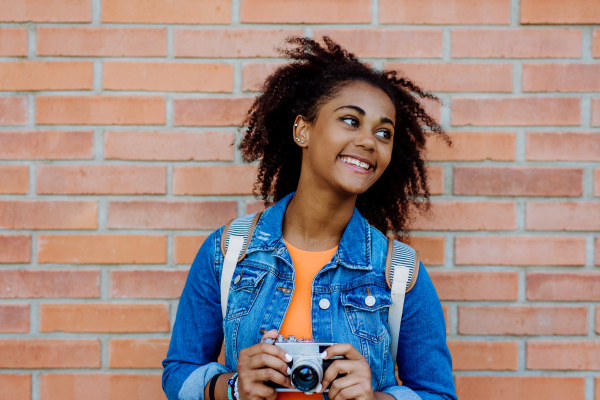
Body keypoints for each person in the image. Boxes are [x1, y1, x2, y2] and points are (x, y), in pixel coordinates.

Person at [162, 37, 456, 400]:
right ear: (303, 130)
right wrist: (233, 387)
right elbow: (179, 371)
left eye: (384, 133)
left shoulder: (399, 273)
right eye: (351, 120)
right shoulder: (228, 251)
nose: (369, 141)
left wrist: (376, 398)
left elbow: (438, 394)